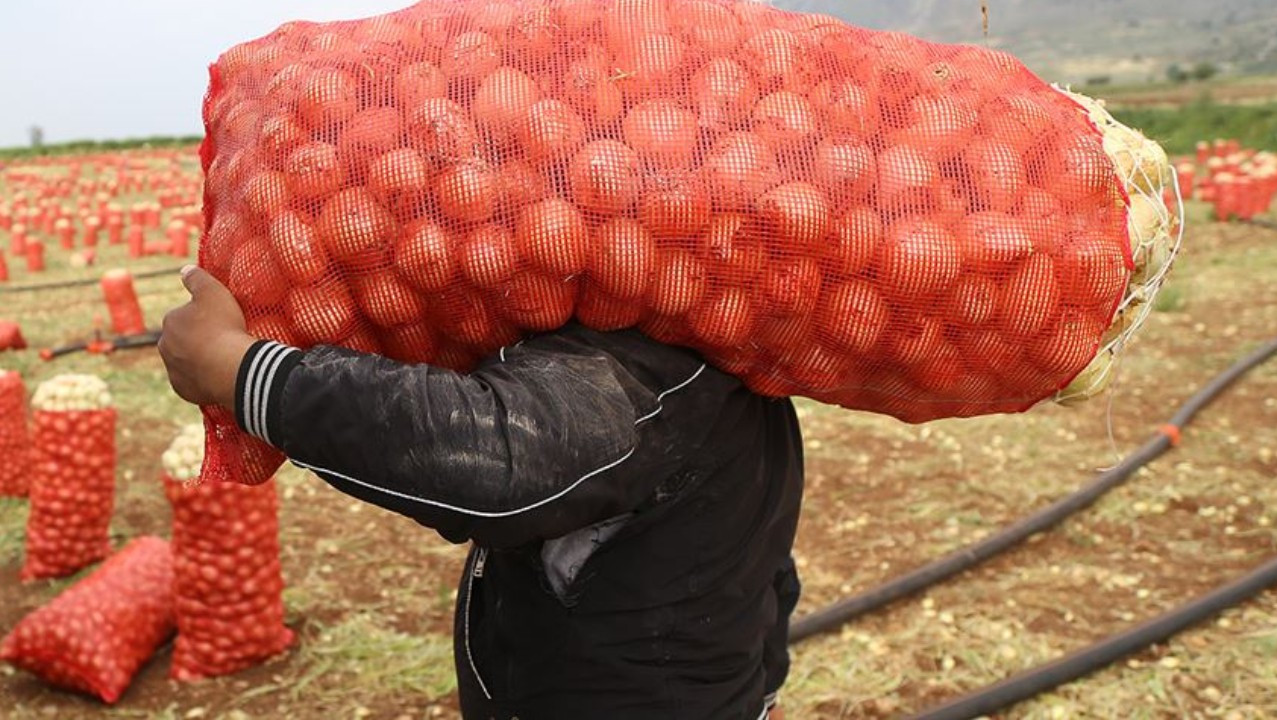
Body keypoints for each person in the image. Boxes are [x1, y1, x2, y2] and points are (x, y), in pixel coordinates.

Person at [159, 264, 804, 720]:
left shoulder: (646, 373)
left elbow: (494, 459)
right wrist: (765, 692)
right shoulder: (740, 368)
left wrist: (246, 373)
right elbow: (769, 571)